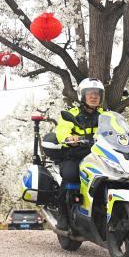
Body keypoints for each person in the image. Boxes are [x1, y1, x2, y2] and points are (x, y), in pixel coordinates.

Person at [54, 78, 105, 231]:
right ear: (82, 95)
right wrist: (69, 138)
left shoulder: (106, 115)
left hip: (98, 156)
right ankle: (63, 214)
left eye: (97, 93)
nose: (94, 96)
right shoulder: (72, 114)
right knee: (70, 175)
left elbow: (119, 129)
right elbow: (62, 130)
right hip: (75, 154)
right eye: (90, 93)